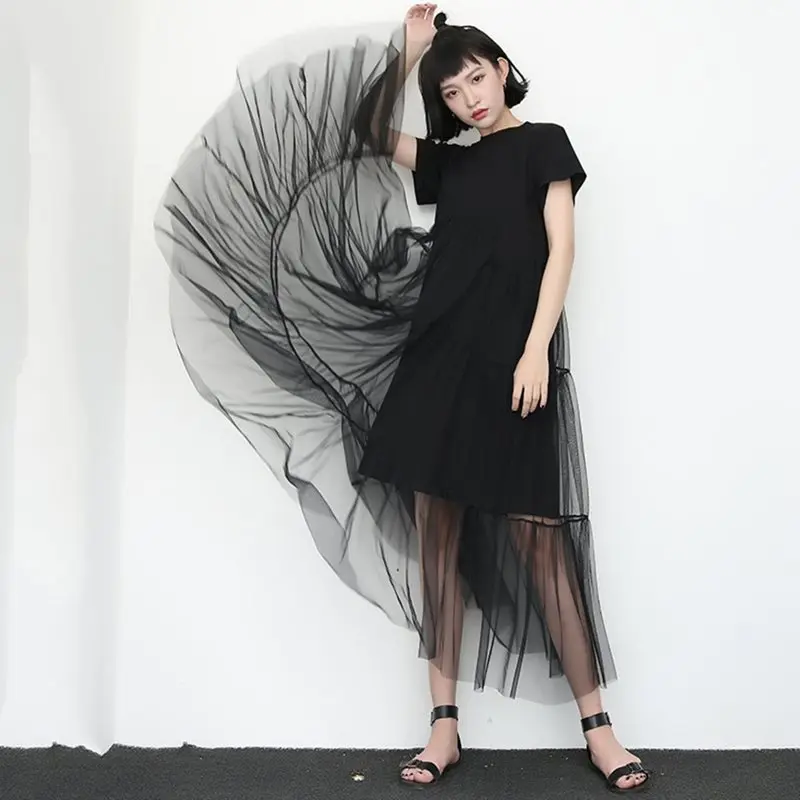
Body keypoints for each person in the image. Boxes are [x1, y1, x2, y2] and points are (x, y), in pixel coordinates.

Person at [154, 4, 651, 794]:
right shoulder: (449, 165)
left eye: (476, 78)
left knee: (542, 546)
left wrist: (534, 351)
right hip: (436, 370)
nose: (468, 99)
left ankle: (601, 731)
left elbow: (562, 251)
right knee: (438, 548)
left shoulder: (544, 145)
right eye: (450, 92)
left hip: (515, 369)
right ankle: (443, 728)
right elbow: (364, 130)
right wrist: (408, 53)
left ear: (502, 69)